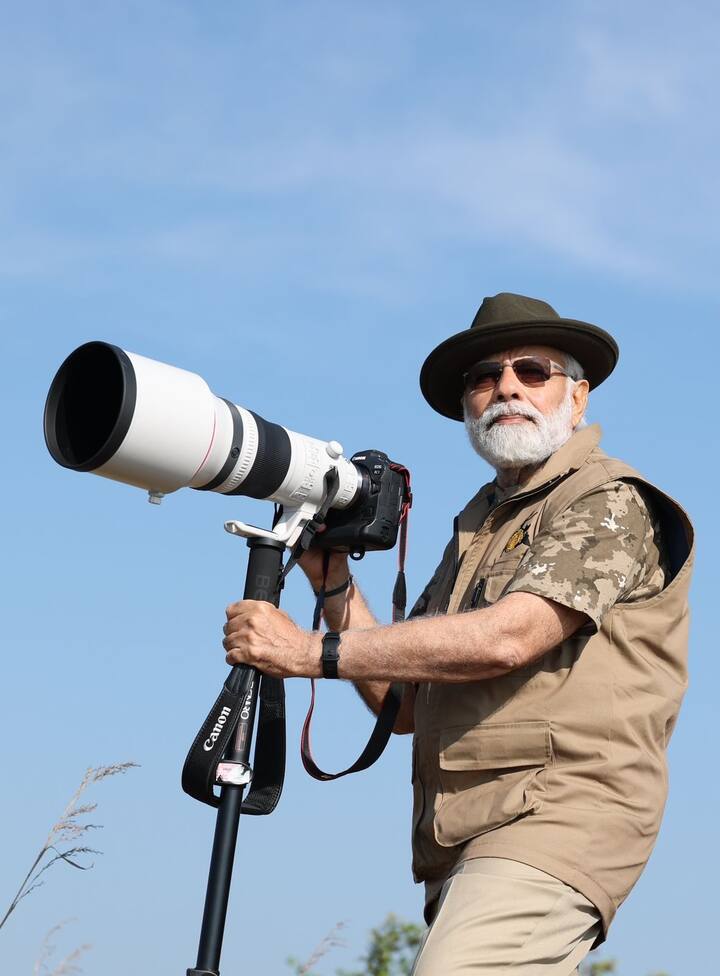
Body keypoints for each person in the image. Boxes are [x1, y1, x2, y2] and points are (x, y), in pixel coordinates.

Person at [222, 293, 694, 975]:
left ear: (579, 397)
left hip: (555, 819)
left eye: (532, 370)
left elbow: (511, 636)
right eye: (484, 377)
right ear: (468, 406)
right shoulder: (479, 527)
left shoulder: (607, 498)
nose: (505, 388)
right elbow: (405, 703)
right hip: (466, 841)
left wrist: (305, 653)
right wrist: (332, 586)